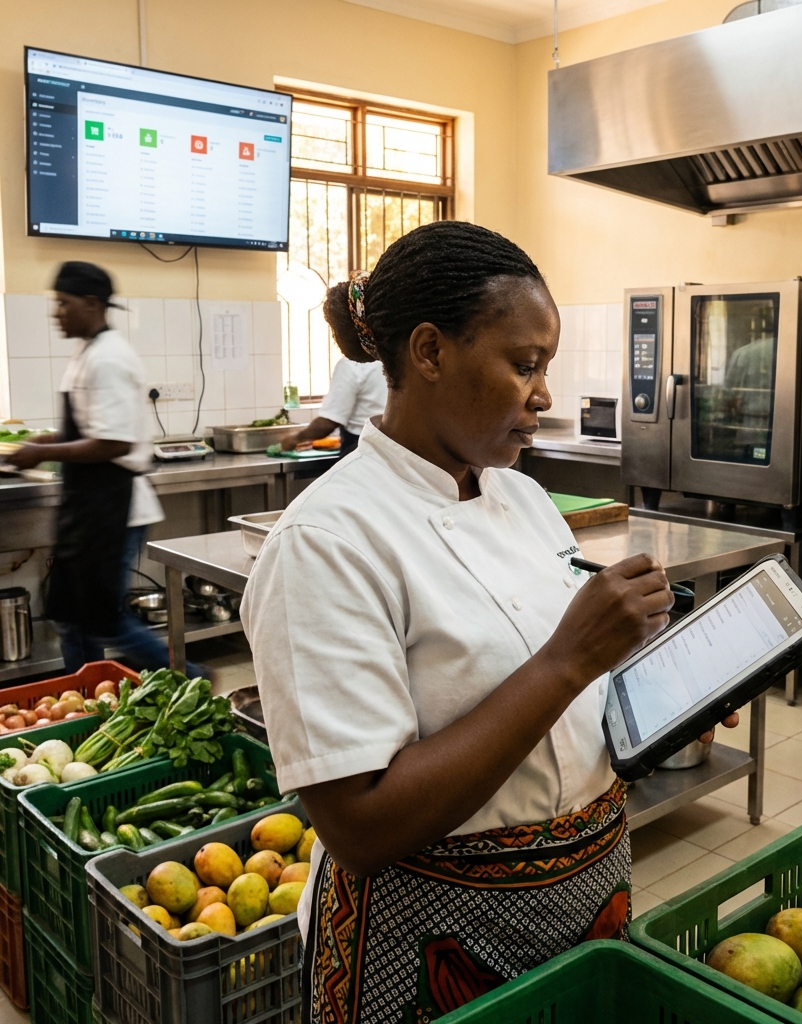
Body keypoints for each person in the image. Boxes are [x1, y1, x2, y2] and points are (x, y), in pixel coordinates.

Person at [241, 221, 737, 1024]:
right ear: (430, 353)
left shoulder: (522, 497)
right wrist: (568, 662)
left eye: (545, 366)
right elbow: (362, 826)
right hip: (428, 941)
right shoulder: (326, 543)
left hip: (586, 899)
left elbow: (562, 702)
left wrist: (650, 677)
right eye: (524, 364)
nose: (543, 394)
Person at [2, 262, 203, 677]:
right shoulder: (89, 351)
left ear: (91, 303)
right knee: (71, 617)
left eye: (62, 303)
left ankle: (193, 677)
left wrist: (43, 454)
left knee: (103, 619)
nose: (55, 313)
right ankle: (92, 698)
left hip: (114, 506)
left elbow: (115, 442)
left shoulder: (108, 357)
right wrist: (42, 442)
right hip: (89, 505)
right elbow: (93, 425)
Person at [281, 272, 387, 458]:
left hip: (361, 452)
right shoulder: (398, 356)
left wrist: (294, 439)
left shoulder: (352, 365)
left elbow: (329, 422)